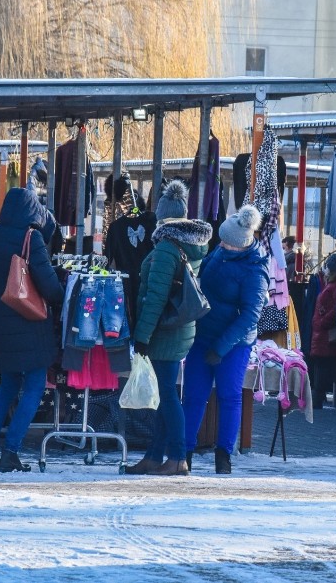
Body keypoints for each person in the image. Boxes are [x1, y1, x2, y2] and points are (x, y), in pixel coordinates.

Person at [125, 180, 212, 476]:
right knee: (165, 394)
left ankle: (177, 457)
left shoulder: (166, 248)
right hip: (179, 329)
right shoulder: (190, 244)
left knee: (167, 395)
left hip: (164, 331)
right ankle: (155, 455)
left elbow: (154, 298)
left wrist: (142, 336)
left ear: (163, 217)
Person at [0, 188, 64, 473]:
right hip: (29, 322)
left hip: (1, 322)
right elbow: (49, 285)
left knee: (6, 387)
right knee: (34, 387)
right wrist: (64, 292)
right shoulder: (31, 238)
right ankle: (10, 452)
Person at [182, 205, 269, 474]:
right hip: (203, 335)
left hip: (234, 343)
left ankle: (224, 456)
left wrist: (221, 347)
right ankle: (182, 454)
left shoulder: (256, 271)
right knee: (194, 395)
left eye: (227, 243)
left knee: (229, 396)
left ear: (240, 246)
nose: (221, 244)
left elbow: (249, 317)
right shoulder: (221, 251)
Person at [309, 250, 336, 409]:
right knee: (320, 368)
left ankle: (317, 401)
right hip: (322, 334)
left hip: (325, 334)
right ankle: (317, 400)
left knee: (322, 369)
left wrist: (321, 322)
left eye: (327, 267)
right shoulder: (332, 285)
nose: (324, 269)